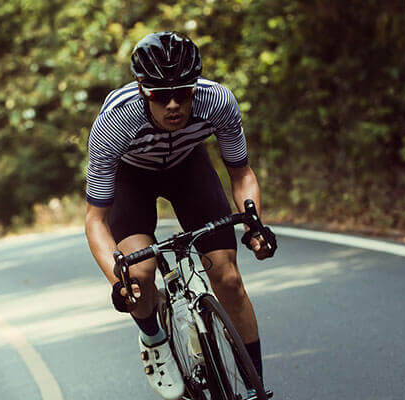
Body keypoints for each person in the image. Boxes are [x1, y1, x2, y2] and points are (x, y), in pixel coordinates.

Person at [82, 31, 276, 399]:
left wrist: (254, 225)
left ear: (194, 87)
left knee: (228, 277)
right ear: (142, 90)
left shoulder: (216, 101)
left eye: (183, 93)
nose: (173, 105)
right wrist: (117, 278)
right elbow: (95, 220)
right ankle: (153, 338)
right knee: (139, 274)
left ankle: (255, 388)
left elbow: (241, 173)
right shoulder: (115, 120)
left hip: (189, 166)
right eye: (160, 95)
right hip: (131, 177)